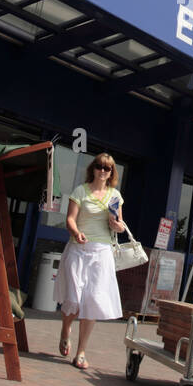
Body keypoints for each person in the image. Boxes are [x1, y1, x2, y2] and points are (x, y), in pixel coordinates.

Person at [55, 152, 126, 370]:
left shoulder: (115, 195)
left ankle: (81, 352)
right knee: (74, 299)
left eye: (108, 168)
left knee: (94, 300)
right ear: (93, 169)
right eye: (99, 167)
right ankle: (66, 330)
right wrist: (76, 233)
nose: (103, 171)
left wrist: (117, 226)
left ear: (112, 172)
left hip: (102, 251)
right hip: (78, 249)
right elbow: (69, 219)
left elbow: (120, 224)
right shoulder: (80, 191)